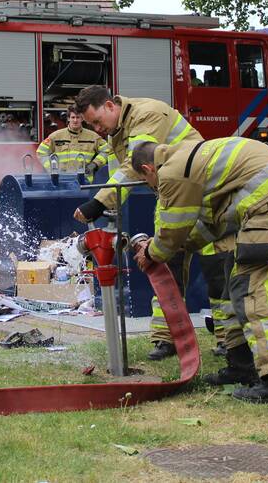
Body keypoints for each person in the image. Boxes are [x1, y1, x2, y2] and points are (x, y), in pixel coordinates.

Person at [129, 137, 268, 405]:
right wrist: (171, 248)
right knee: (233, 280)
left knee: (251, 288)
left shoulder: (171, 173)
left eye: (146, 183)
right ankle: (241, 365)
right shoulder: (190, 163)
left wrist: (151, 252)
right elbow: (209, 226)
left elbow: (172, 231)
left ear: (148, 170)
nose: (152, 189)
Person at [70, 85, 203, 361]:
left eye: (97, 121)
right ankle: (166, 339)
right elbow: (117, 168)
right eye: (91, 125)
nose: (96, 129)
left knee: (216, 268)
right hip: (168, 191)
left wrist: (100, 202)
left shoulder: (146, 114)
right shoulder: (116, 129)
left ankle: (231, 344)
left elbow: (134, 164)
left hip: (197, 189)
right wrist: (109, 203)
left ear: (110, 106)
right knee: (165, 265)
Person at [35, 106, 110, 178]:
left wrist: (94, 164)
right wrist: (52, 169)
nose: (75, 120)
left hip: (85, 182)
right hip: (62, 181)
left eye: (78, 117)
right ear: (68, 118)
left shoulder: (93, 137)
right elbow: (41, 152)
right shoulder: (56, 136)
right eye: (73, 117)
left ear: (82, 118)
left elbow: (107, 150)